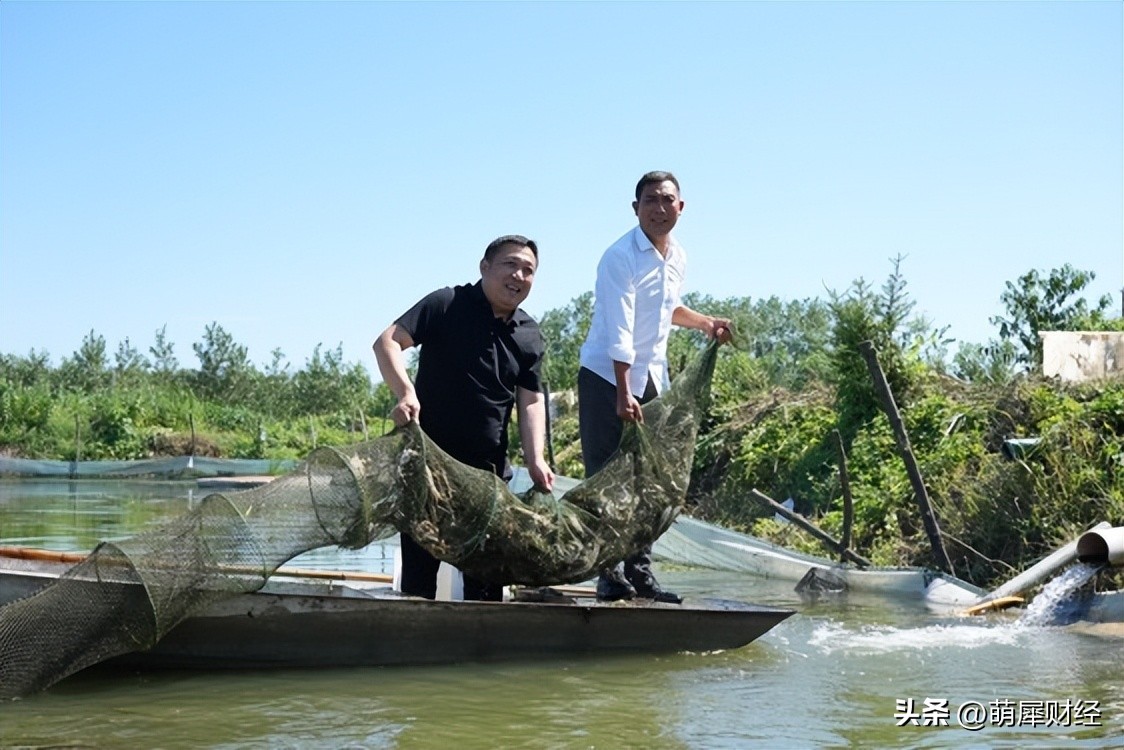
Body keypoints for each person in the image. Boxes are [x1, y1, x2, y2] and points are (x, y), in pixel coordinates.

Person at [373, 234, 555, 602]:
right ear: (484, 267)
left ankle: (481, 637)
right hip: (427, 472)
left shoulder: (529, 334)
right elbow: (388, 342)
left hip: (488, 478)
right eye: (510, 264)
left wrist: (536, 458)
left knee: (486, 589)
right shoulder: (446, 303)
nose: (519, 275)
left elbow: (531, 400)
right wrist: (406, 392)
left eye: (528, 270)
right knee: (418, 587)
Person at [579, 171, 732, 603]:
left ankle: (640, 573)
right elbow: (620, 327)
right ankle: (608, 574)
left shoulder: (677, 255)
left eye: (667, 201)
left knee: (649, 480)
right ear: (636, 209)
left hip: (649, 377)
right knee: (607, 476)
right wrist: (622, 390)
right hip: (606, 377)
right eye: (650, 201)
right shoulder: (620, 256)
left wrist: (705, 323)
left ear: (681, 207)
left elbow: (667, 308)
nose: (659, 209)